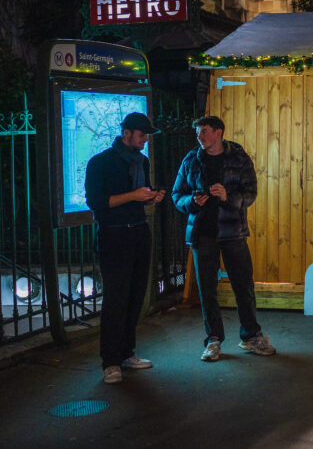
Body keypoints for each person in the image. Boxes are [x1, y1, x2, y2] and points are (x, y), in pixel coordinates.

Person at [172, 116, 275, 362]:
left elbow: (251, 194)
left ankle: (250, 336)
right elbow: (177, 195)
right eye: (198, 132)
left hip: (233, 233)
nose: (200, 136)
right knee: (207, 290)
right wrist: (191, 202)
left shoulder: (238, 158)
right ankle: (213, 340)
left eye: (204, 131)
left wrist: (229, 195)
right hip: (202, 234)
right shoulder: (191, 160)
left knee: (243, 286)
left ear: (218, 133)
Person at [85, 112, 166, 384]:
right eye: (142, 136)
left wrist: (152, 197)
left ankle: (127, 353)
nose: (144, 142)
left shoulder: (141, 161)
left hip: (139, 232)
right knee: (115, 299)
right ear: (127, 132)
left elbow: (141, 198)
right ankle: (110, 362)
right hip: (114, 236)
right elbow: (96, 201)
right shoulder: (101, 162)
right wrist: (134, 195)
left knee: (134, 297)